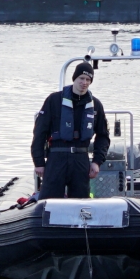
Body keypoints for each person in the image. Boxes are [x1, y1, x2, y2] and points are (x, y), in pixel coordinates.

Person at [31, 61, 111, 199]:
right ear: (74, 78)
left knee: (81, 202)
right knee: (49, 201)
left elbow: (103, 136)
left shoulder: (96, 105)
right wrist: (39, 162)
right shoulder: (54, 100)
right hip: (56, 158)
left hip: (80, 159)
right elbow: (40, 132)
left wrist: (97, 161)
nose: (84, 82)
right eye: (81, 78)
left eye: (88, 80)